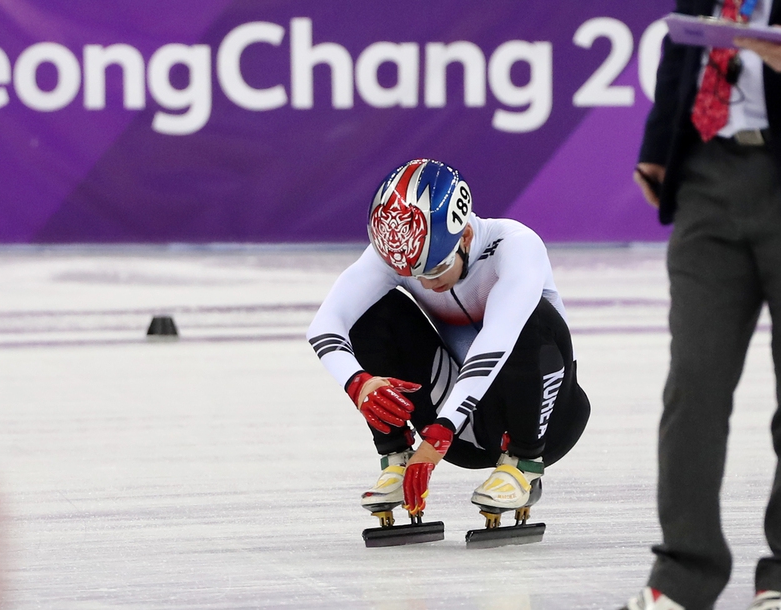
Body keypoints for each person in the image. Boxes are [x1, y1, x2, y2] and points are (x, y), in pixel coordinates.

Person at [306, 158, 590, 530]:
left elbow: (495, 343)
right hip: (465, 431)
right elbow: (325, 324)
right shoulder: (398, 251)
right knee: (372, 309)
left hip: (548, 422)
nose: (427, 284)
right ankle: (396, 457)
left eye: (436, 269)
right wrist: (359, 382)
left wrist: (441, 431)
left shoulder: (517, 246)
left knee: (530, 315)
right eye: (413, 275)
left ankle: (524, 464)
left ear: (466, 237)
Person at [623, 0, 781, 608]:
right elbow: (680, 49)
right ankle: (684, 573)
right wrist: (658, 145)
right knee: (694, 382)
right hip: (706, 180)